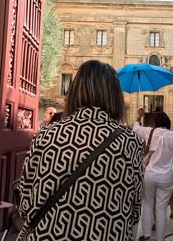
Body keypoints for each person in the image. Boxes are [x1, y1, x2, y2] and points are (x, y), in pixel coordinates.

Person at [17, 60, 144, 240]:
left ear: (74, 92)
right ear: (116, 96)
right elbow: (135, 210)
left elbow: (25, 204)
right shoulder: (131, 142)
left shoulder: (45, 135)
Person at [133, 109, 173, 241]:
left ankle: (146, 235)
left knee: (147, 204)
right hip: (166, 177)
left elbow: (135, 128)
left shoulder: (148, 131)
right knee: (162, 208)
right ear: (168, 123)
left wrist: (139, 116)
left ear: (156, 123)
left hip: (150, 175)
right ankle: (160, 238)